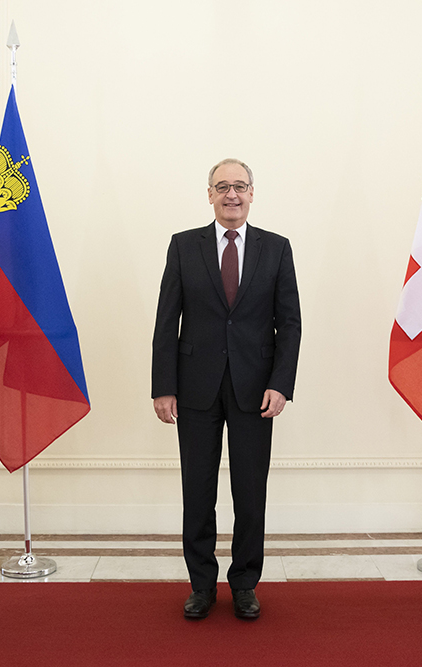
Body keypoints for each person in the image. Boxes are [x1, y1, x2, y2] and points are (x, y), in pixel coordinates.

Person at [152, 158, 301, 620]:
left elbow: (290, 323)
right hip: (194, 388)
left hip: (255, 391)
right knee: (197, 491)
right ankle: (201, 586)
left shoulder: (276, 248)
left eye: (239, 186)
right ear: (210, 195)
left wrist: (281, 384)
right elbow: (166, 320)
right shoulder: (184, 245)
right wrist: (163, 386)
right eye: (222, 187)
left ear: (252, 193)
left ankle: (244, 584)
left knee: (250, 491)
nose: (231, 194)